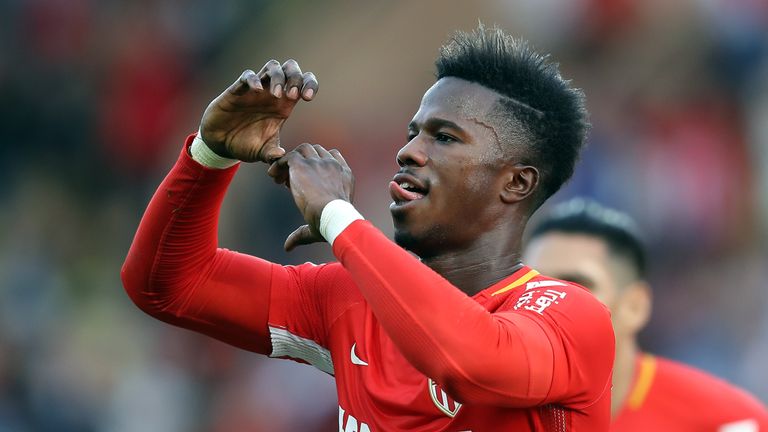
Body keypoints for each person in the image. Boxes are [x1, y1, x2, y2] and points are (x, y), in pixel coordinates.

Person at [122, 25, 614, 431]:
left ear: (516, 182)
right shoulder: (348, 298)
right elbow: (166, 285)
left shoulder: (571, 318)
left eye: (444, 137)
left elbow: (467, 360)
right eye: (411, 133)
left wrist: (340, 219)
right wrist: (211, 155)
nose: (409, 152)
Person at [524, 198, 768, 432]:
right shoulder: (489, 414)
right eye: (532, 285)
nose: (546, 301)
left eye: (575, 285)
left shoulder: (728, 423)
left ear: (635, 307)